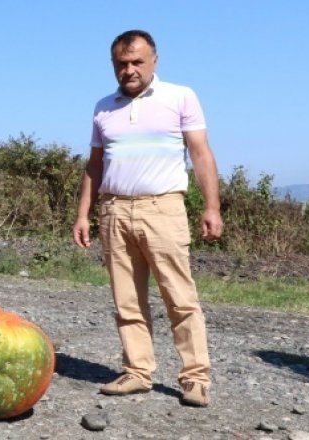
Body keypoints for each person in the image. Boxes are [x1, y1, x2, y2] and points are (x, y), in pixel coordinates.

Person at [72, 29, 223, 407]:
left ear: (155, 60)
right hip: (114, 210)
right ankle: (137, 372)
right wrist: (82, 214)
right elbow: (94, 165)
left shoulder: (180, 96)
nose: (129, 70)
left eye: (137, 62)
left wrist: (212, 206)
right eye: (121, 63)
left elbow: (200, 153)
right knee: (126, 299)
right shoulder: (103, 107)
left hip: (163, 208)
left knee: (180, 297)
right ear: (113, 65)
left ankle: (195, 378)